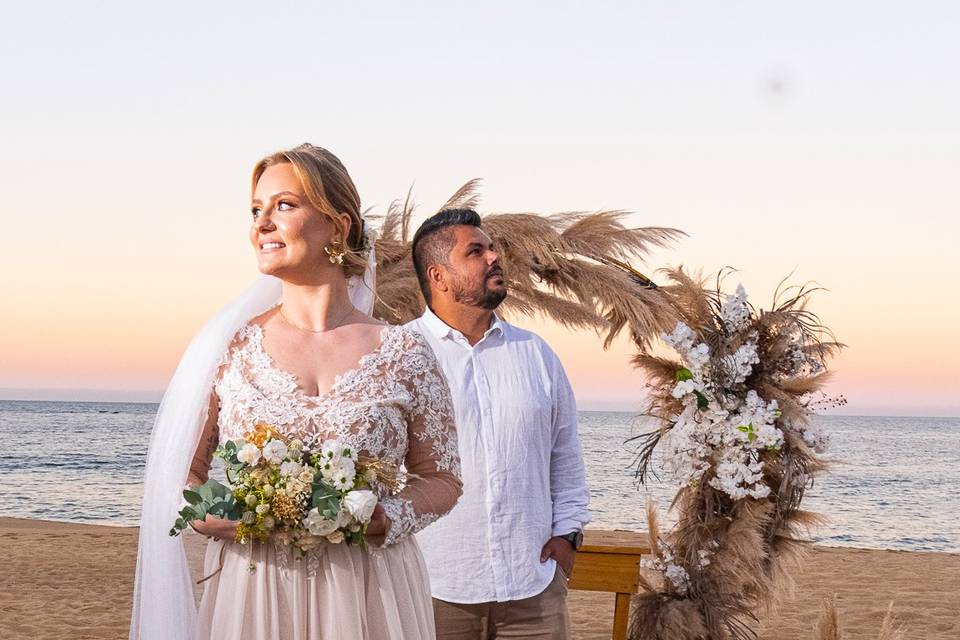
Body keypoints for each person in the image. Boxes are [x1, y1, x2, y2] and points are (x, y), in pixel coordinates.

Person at [130, 144, 462, 640]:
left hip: (370, 587)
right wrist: (218, 514)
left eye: (284, 205)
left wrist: (380, 517)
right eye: (255, 210)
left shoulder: (405, 351)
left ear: (338, 225)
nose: (262, 223)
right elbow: (181, 474)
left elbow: (442, 477)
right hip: (256, 589)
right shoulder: (230, 349)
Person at [406, 208, 591, 639]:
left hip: (533, 588)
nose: (494, 257)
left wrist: (567, 538)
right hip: (433, 588)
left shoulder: (536, 354)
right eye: (476, 251)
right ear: (440, 277)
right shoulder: (401, 354)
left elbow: (564, 455)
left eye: (492, 247)